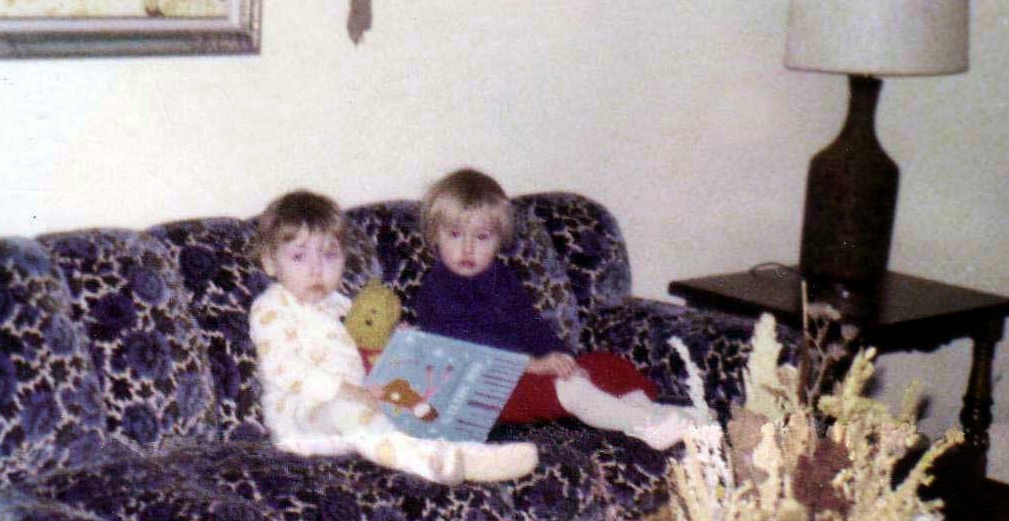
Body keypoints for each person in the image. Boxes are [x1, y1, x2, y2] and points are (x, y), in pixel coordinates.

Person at [249, 190, 538, 484]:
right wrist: (349, 392)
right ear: (270, 263)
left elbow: (368, 344)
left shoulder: (340, 306)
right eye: (299, 257)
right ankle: (431, 463)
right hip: (301, 420)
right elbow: (283, 368)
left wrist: (397, 344)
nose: (316, 270)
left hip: (354, 410)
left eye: (329, 255)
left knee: (411, 404)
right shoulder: (272, 307)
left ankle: (466, 454)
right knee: (348, 412)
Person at [413, 169, 696, 451]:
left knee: (609, 365)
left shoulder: (502, 277)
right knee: (571, 388)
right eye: (455, 235)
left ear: (499, 240)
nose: (467, 248)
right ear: (435, 235)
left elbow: (531, 326)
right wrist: (534, 366)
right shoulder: (436, 290)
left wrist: (563, 358)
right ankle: (645, 426)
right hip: (481, 391)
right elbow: (469, 349)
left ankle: (655, 416)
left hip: (526, 371)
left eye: (481, 237)